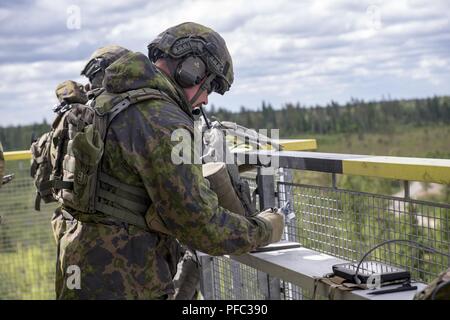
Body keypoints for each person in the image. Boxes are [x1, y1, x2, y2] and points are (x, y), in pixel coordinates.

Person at [57, 22, 284, 300]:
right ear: (192, 70)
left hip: (81, 270)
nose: (207, 100)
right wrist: (264, 228)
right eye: (210, 85)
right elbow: (203, 226)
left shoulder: (110, 99)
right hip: (125, 280)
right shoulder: (163, 120)